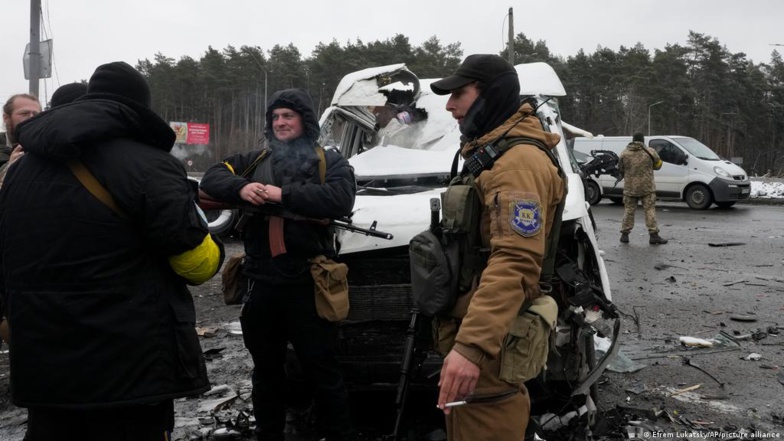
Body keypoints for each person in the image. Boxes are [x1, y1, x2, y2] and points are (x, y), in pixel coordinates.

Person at [0, 61, 224, 441]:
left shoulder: (18, 172)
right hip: (129, 374)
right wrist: (213, 245)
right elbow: (196, 266)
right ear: (139, 110)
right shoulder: (150, 167)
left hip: (45, 370)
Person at [200, 88, 357, 441]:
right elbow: (211, 177)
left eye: (289, 115)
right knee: (266, 373)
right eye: (275, 117)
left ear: (305, 120)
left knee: (324, 373)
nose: (281, 122)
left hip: (308, 285)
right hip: (263, 284)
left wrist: (279, 195)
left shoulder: (329, 160)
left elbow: (339, 199)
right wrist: (241, 188)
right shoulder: (253, 160)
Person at [428, 54, 565, 440]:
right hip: (485, 332)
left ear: (491, 96)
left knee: (485, 421)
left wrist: (472, 347)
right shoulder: (491, 154)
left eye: (459, 94)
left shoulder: (517, 163)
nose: (449, 105)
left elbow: (515, 263)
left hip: (493, 342)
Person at [619, 132, 668, 244]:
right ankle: (653, 235)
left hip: (630, 188)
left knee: (629, 211)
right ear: (642, 141)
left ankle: (624, 235)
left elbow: (620, 170)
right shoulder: (650, 152)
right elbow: (658, 165)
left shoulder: (624, 153)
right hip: (647, 188)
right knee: (649, 210)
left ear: (633, 140)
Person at [0, 93, 42, 184]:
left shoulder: (46, 147)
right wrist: (9, 168)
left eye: (35, 114)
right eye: (24, 113)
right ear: (6, 118)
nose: (31, 118)